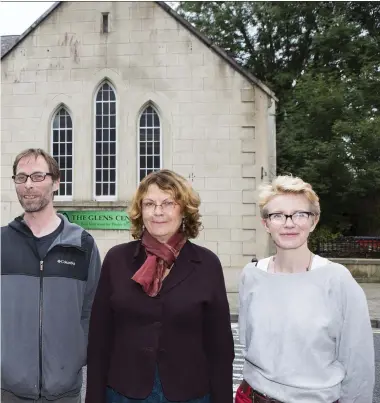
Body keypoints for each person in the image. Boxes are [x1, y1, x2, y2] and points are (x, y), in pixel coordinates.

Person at [85, 169, 234, 403]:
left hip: (190, 394)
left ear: (184, 210)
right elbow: (99, 339)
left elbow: (221, 347)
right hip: (124, 393)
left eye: (168, 203)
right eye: (149, 204)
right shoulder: (117, 260)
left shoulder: (207, 264)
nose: (158, 212)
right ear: (140, 211)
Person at [237, 175, 375, 403]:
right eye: (278, 215)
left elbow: (358, 364)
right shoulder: (251, 275)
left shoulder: (337, 280)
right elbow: (248, 341)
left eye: (300, 214)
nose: (289, 223)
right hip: (251, 397)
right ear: (265, 223)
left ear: (314, 221)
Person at [1, 149, 102, 403]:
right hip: (9, 390)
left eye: (37, 176)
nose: (28, 185)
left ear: (56, 182)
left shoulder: (82, 245)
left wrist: (76, 357)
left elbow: (93, 310)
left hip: (64, 391)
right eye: (21, 177)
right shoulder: (2, 243)